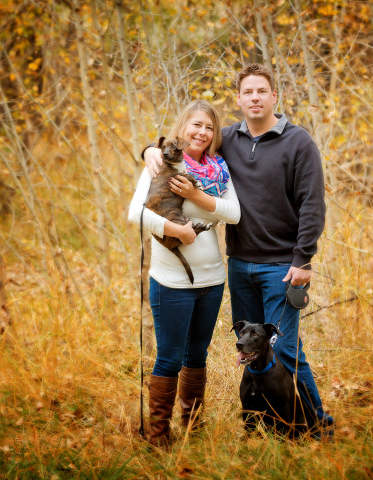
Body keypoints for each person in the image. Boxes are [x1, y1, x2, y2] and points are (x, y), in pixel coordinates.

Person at [144, 64, 333, 435]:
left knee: (288, 351)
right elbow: (188, 143)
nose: (255, 98)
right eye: (248, 92)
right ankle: (262, 421)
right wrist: (149, 149)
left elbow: (313, 203)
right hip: (240, 264)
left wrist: (303, 258)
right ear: (239, 99)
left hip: (281, 266)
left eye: (262, 91)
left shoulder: (299, 142)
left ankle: (316, 421)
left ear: (274, 96)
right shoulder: (227, 138)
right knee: (249, 349)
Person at [128, 100, 241, 447]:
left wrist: (196, 194)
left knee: (197, 356)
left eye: (209, 127)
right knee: (170, 356)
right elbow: (136, 214)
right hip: (171, 282)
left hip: (212, 280)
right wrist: (179, 232)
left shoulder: (218, 170)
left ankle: (193, 425)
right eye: (196, 125)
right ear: (182, 127)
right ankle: (159, 435)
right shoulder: (161, 163)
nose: (202, 133)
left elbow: (233, 214)